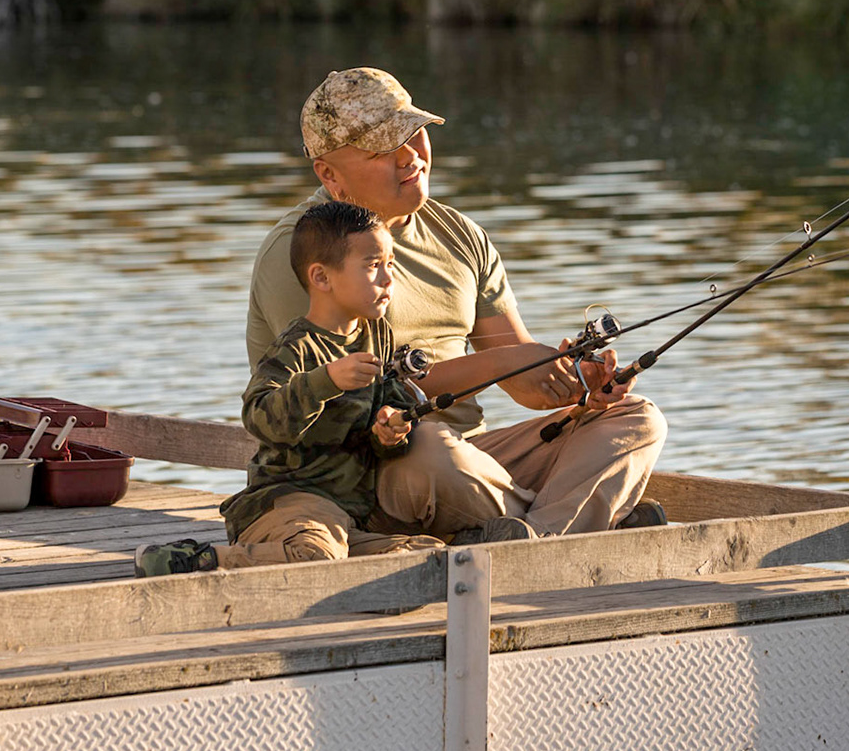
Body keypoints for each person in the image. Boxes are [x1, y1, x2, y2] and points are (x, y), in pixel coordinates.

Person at [248, 66, 666, 543]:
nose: (411, 156)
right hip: (366, 470)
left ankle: (526, 534)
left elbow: (524, 379)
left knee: (636, 420)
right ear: (329, 174)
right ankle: (574, 525)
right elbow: (351, 396)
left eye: (414, 133)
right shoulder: (302, 253)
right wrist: (509, 363)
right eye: (384, 148)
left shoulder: (461, 236)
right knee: (429, 450)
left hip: (471, 463)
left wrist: (572, 381)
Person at [136, 198, 442, 575]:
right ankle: (195, 561)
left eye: (390, 264)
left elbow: (379, 424)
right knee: (316, 559)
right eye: (373, 266)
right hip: (285, 501)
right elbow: (259, 416)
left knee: (426, 552)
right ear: (322, 278)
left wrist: (390, 428)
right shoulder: (297, 347)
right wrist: (326, 380)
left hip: (347, 513)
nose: (388, 279)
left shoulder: (377, 334)